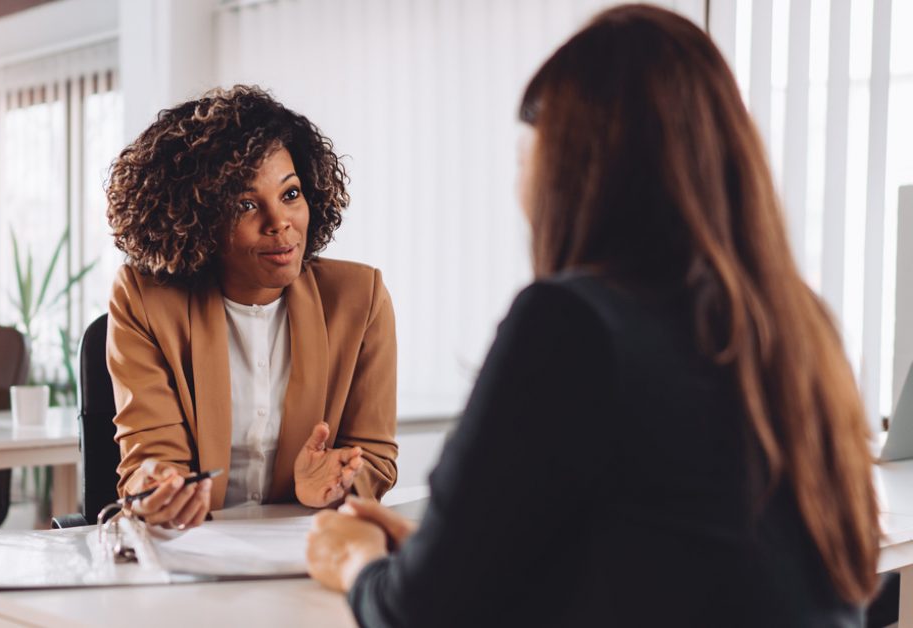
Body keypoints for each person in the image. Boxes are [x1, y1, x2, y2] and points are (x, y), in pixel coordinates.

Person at [306, 5, 879, 627]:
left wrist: (356, 562)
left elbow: (419, 614)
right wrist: (432, 552)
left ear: (573, 163)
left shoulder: (572, 324)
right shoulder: (800, 323)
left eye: (532, 144)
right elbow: (663, 566)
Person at [104, 85, 398, 530]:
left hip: (302, 553)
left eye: (290, 194)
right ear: (197, 219)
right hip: (192, 550)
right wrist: (158, 487)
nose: (279, 221)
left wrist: (338, 482)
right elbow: (149, 455)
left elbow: (374, 456)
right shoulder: (145, 299)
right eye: (245, 204)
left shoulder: (360, 299)